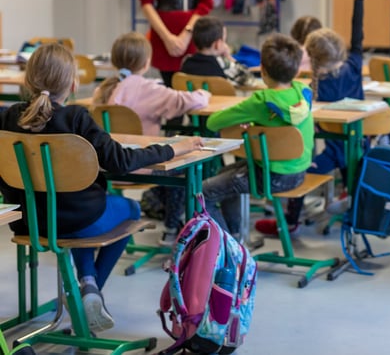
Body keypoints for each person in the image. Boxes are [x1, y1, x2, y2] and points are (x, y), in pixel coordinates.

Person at [0, 43, 201, 332]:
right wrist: (173, 149)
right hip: (79, 219)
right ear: (73, 83)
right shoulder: (76, 119)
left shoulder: (7, 117)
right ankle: (90, 290)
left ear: (28, 80)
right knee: (129, 209)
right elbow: (121, 161)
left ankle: (88, 285)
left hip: (29, 223)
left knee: (74, 216)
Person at [254, 0, 371, 236]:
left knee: (302, 172)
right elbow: (358, 30)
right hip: (361, 145)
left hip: (331, 151)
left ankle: (291, 222)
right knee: (351, 173)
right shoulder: (354, 64)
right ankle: (355, 216)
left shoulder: (310, 88)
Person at [92, 32, 210, 245]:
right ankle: (172, 227)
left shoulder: (103, 89)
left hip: (106, 167)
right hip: (141, 167)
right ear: (147, 62)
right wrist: (204, 94)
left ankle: (158, 208)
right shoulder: (149, 89)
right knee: (183, 165)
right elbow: (186, 102)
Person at [202, 34, 314, 236]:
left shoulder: (260, 101)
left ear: (262, 70)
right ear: (297, 69)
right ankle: (235, 235)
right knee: (222, 176)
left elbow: (212, 123)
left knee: (202, 193)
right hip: (298, 173)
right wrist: (256, 124)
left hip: (270, 177)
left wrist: (248, 119)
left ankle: (228, 248)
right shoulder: (304, 93)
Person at [180, 16, 255, 87]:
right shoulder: (223, 63)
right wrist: (229, 57)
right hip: (220, 100)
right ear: (218, 44)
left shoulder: (186, 61)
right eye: (224, 40)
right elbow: (249, 80)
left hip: (193, 100)